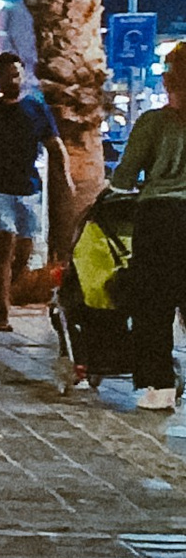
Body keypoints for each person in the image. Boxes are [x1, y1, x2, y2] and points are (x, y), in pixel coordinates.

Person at [104, 38, 186, 411]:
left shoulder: (154, 122)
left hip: (160, 218)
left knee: (154, 304)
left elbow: (123, 177)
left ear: (169, 81)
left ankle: (161, 386)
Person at [0, 53, 66, 333]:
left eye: (17, 74)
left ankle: (1, 290)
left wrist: (66, 177)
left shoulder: (36, 110)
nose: (13, 80)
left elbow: (54, 145)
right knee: (4, 244)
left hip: (28, 188)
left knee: (25, 250)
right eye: (8, 75)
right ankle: (2, 312)